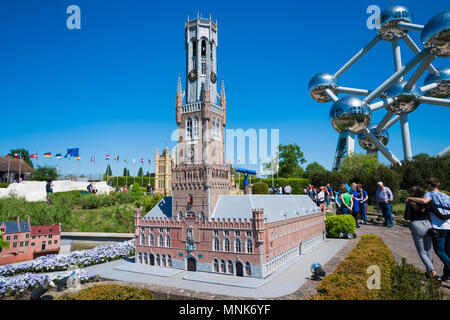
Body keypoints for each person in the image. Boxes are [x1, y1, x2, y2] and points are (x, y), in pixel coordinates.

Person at [407, 178, 450, 282]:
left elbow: (424, 201)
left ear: (430, 185)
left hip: (438, 227)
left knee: (437, 251)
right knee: (446, 252)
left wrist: (409, 198)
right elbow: (440, 213)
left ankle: (433, 272)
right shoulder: (447, 196)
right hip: (448, 225)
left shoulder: (429, 195)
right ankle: (446, 275)